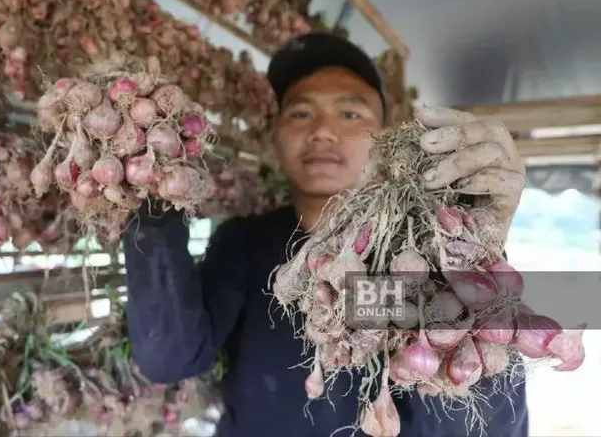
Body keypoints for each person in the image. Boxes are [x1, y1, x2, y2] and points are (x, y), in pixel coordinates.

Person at [121, 32, 528, 437]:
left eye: (350, 114)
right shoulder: (246, 243)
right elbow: (169, 359)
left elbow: (487, 424)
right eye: (300, 113)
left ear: (386, 138)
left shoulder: (416, 256)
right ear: (275, 137)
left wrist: (480, 250)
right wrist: (152, 194)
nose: (322, 131)